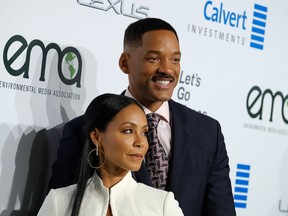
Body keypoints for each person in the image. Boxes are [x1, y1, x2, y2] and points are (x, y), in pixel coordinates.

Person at [48, 18, 236, 216]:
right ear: (125, 63)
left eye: (175, 59)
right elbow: (66, 204)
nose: (167, 69)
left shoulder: (207, 131)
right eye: (154, 59)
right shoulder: (85, 129)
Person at [38, 93, 184, 216]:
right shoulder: (59, 201)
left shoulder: (163, 205)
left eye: (144, 132)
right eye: (128, 130)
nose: (141, 142)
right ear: (96, 137)